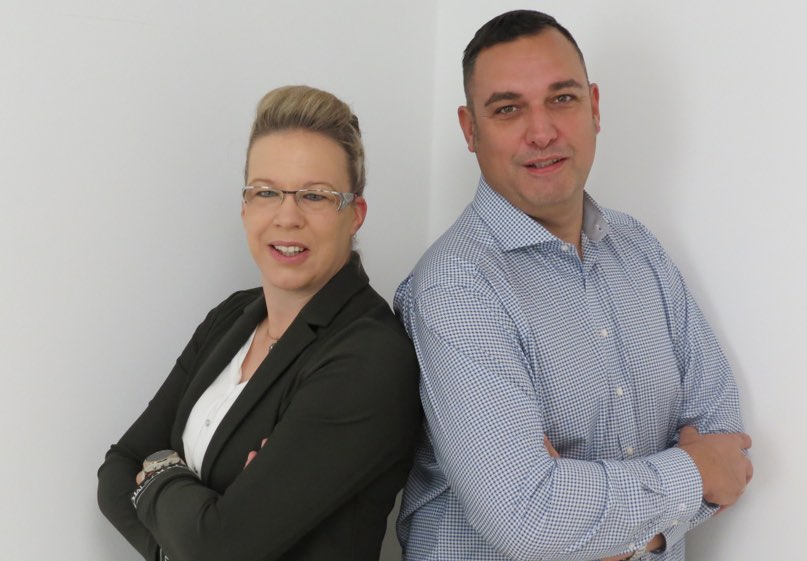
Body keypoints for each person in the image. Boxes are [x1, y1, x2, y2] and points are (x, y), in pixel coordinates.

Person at [395, 10, 752, 561]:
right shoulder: (455, 287)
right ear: (470, 130)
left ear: (594, 107)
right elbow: (527, 519)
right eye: (508, 109)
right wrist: (688, 480)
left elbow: (724, 445)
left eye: (562, 98)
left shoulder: (640, 249)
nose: (542, 132)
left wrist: (592, 519)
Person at [97, 85, 420, 561]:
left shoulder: (369, 356)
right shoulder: (232, 317)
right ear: (245, 207)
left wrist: (160, 468)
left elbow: (220, 548)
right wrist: (183, 543)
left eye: (315, 195)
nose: (287, 217)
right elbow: (118, 470)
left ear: (355, 215)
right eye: (266, 192)